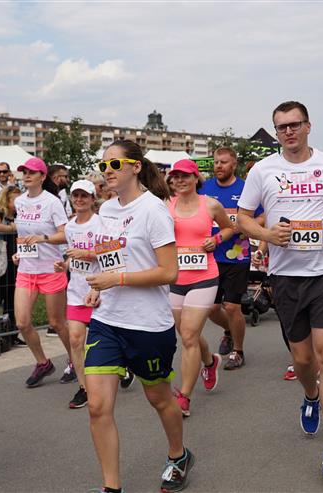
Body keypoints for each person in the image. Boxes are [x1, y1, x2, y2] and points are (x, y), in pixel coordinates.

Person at [237, 101, 323, 481]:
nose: (288, 131)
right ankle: (311, 395)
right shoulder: (263, 170)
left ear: (308, 126)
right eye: (281, 127)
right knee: (304, 361)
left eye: (294, 124)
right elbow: (242, 217)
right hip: (286, 276)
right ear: (276, 132)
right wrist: (266, 233)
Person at [83, 139, 193, 493]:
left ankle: (178, 454)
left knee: (159, 399)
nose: (107, 171)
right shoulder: (105, 210)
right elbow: (109, 259)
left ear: (135, 167)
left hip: (147, 325)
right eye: (103, 166)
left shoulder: (153, 210)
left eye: (114, 164)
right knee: (97, 406)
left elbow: (169, 272)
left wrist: (116, 280)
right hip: (107, 320)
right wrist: (99, 286)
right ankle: (111, 487)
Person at [168, 159, 234, 416]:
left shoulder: (210, 204)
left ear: (196, 178)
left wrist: (216, 239)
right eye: (175, 176)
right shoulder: (166, 205)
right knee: (188, 334)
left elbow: (229, 228)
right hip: (176, 278)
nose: (180, 181)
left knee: (188, 335)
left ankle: (184, 396)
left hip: (204, 277)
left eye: (185, 176)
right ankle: (210, 361)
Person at [200, 147, 262, 369]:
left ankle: (238, 350)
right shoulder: (205, 189)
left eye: (224, 162)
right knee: (211, 308)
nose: (219, 166)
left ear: (234, 164)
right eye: (216, 162)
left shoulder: (245, 188)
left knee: (233, 306)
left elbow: (262, 215)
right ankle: (228, 330)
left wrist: (248, 226)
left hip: (237, 256)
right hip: (209, 256)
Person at [13, 157, 72, 387]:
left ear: (43, 176)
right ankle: (42, 363)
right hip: (26, 270)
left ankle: (75, 360)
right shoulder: (19, 201)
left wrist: (43, 238)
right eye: (24, 172)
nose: (27, 176)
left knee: (57, 323)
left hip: (51, 269)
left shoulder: (52, 202)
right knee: (22, 322)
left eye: (32, 172)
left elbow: (65, 235)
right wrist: (19, 253)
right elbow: (22, 235)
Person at [52, 180, 103, 409]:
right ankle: (84, 388)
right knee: (75, 339)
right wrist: (64, 265)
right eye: (76, 196)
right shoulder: (70, 226)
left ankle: (121, 368)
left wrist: (87, 254)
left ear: (92, 198)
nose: (79, 200)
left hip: (100, 289)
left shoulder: (101, 223)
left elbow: (112, 253)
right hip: (76, 291)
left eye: (84, 196)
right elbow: (72, 256)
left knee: (103, 341)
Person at [0, 185, 22, 345]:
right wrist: (11, 228)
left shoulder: (19, 215)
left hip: (15, 262)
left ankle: (11, 334)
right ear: (6, 200)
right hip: (0, 263)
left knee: (12, 299)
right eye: (15, 200)